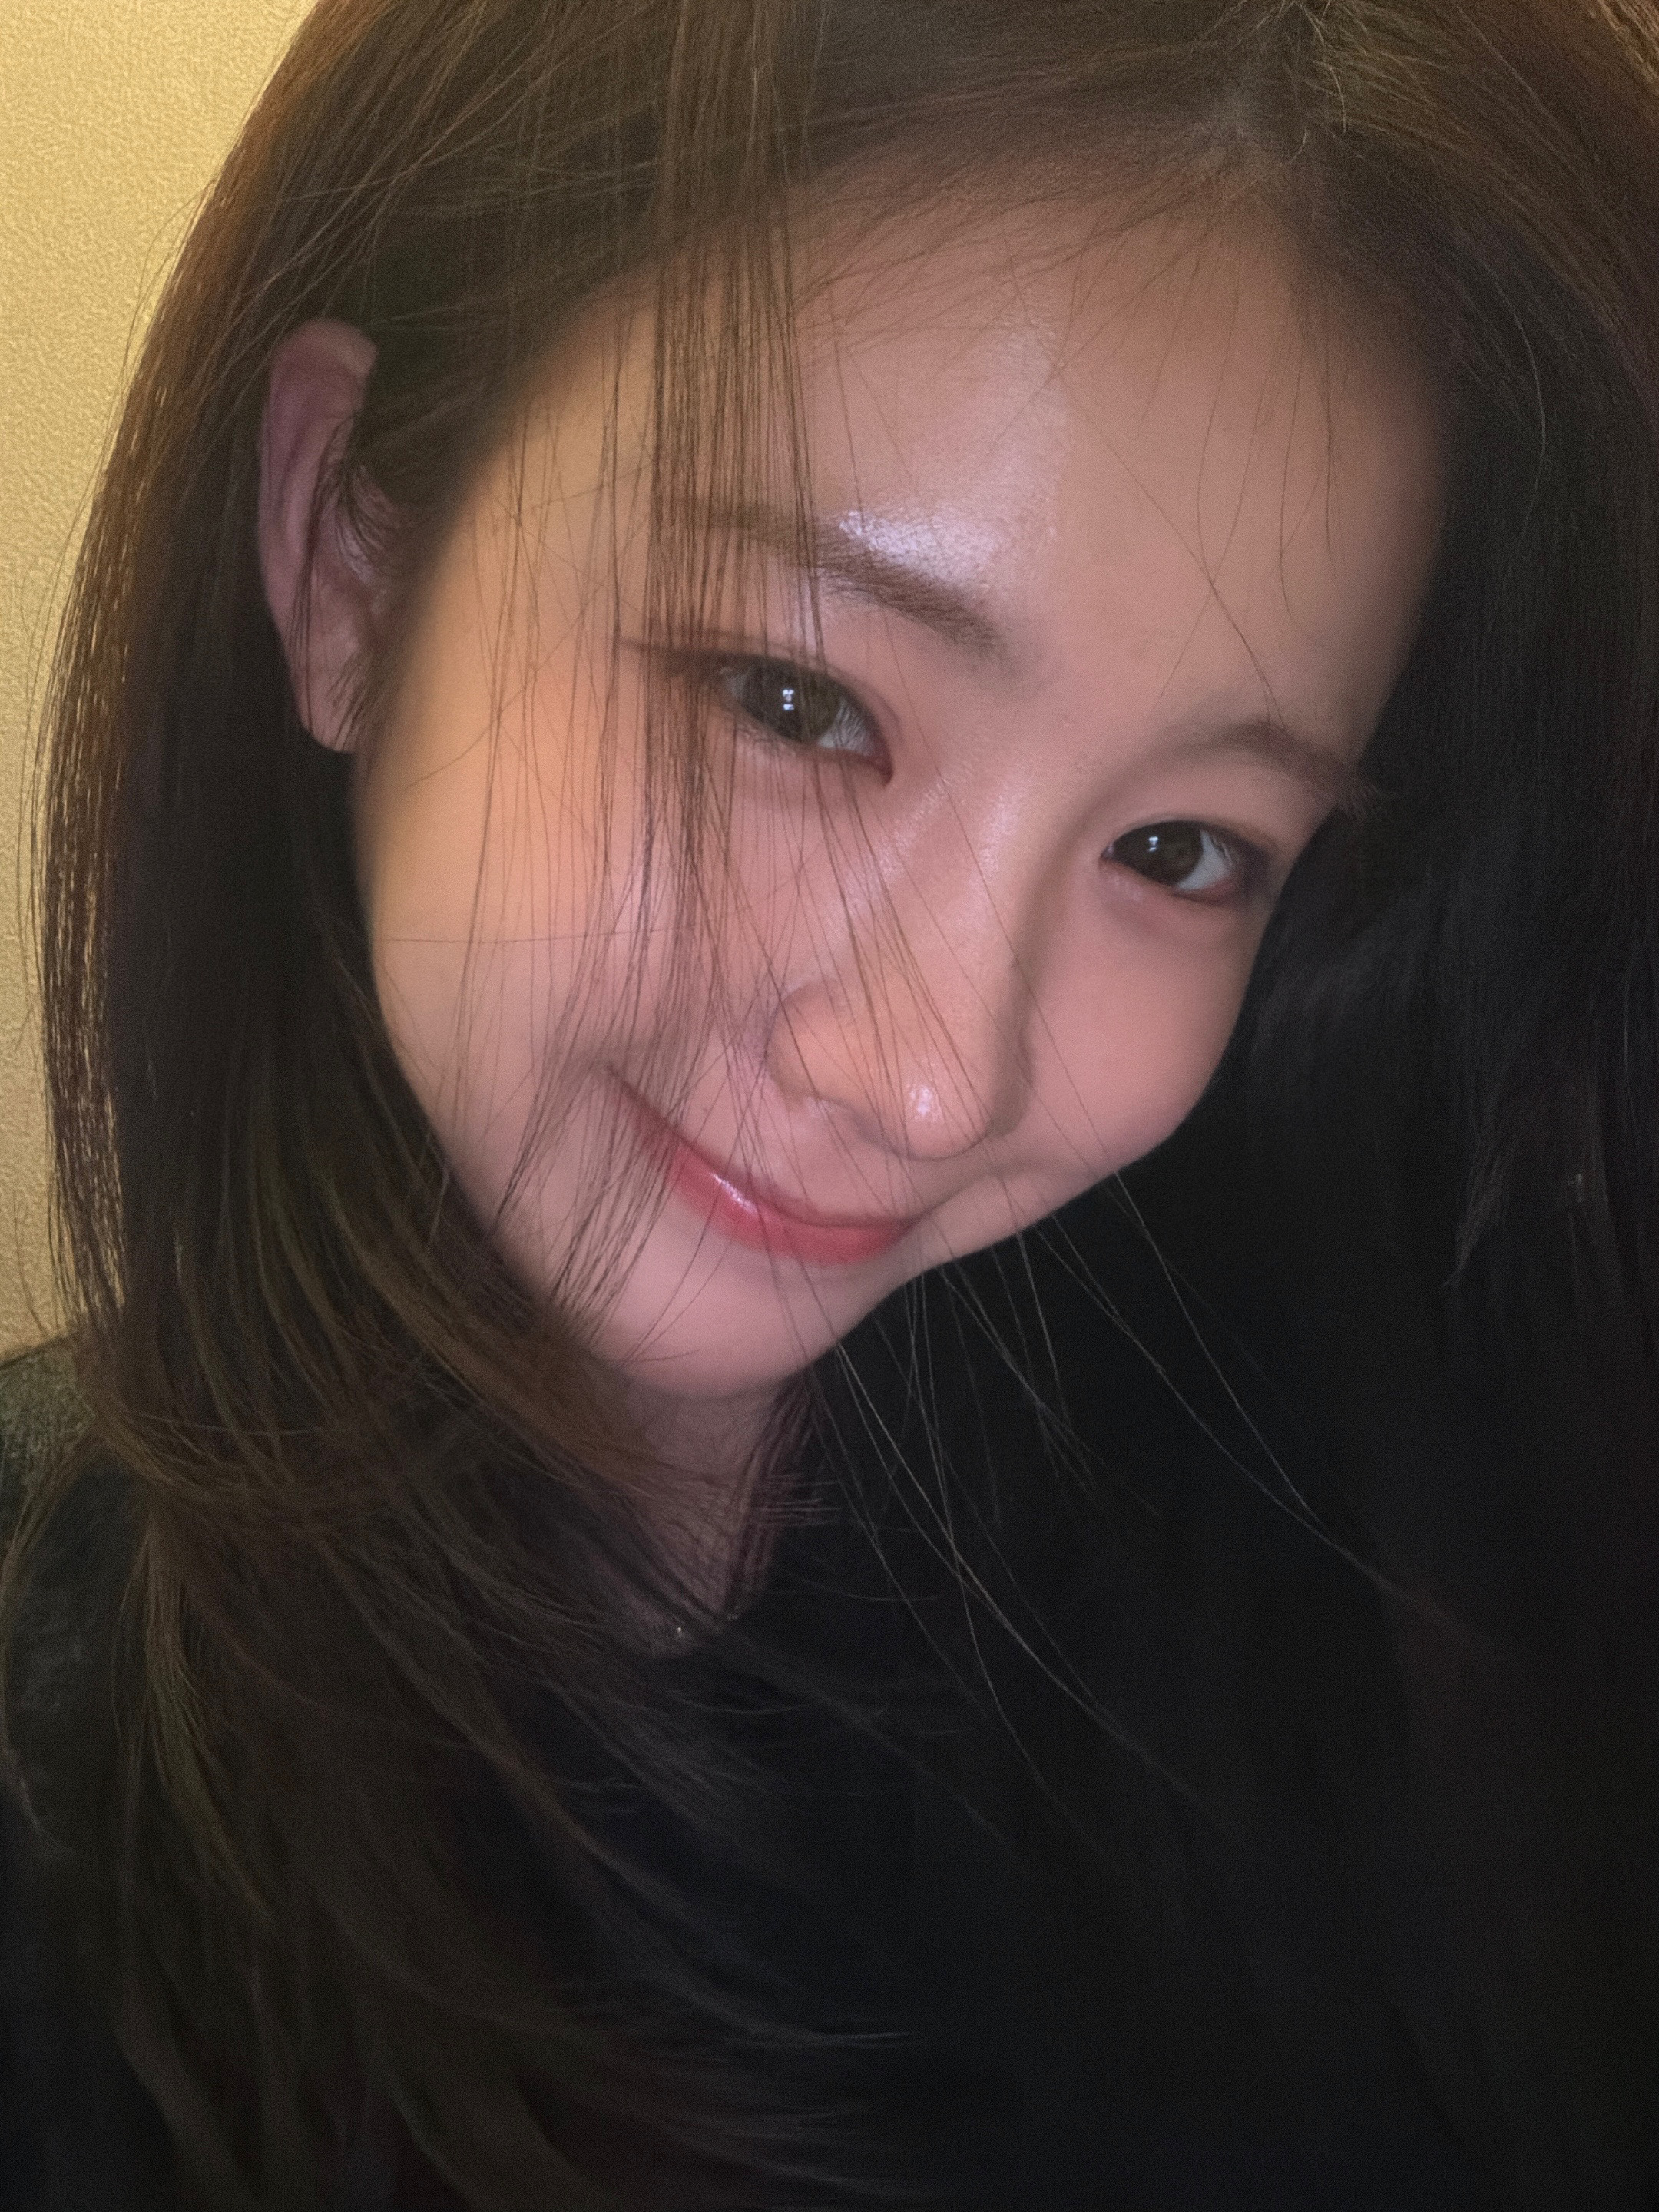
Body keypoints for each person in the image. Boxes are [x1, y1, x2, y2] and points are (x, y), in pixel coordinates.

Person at [3, 0, 1658, 2204]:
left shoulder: (1405, 1551)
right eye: (792, 698)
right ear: (346, 551)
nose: (935, 1074)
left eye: (1182, 850)